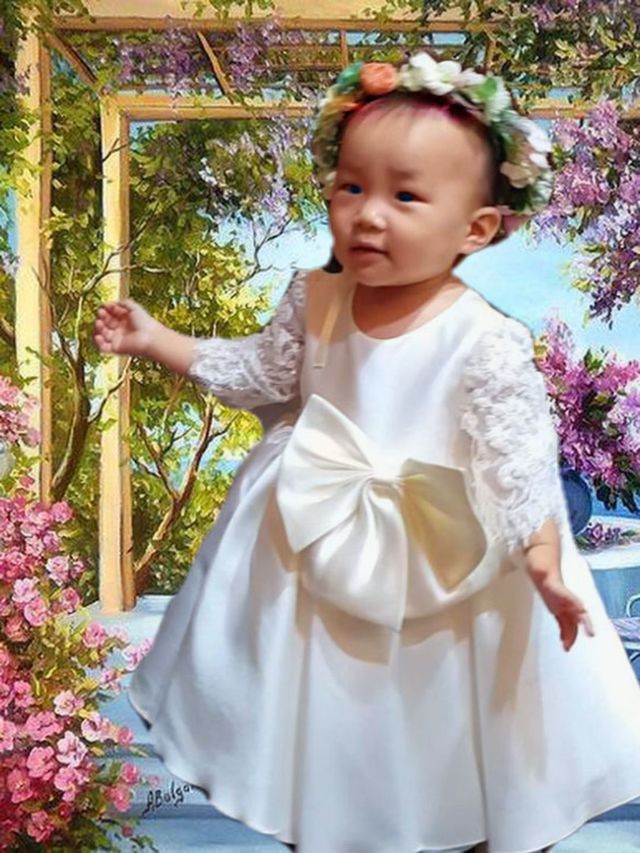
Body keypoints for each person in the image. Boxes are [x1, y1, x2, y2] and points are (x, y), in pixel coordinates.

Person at [93, 50, 640, 853]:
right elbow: (256, 371)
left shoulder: (484, 338)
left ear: (477, 228)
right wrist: (156, 339)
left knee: (459, 727)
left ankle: (474, 829)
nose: (368, 214)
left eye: (405, 195)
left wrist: (544, 560)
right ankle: (322, 821)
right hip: (314, 546)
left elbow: (517, 459)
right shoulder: (315, 299)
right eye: (351, 187)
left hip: (449, 562)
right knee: (321, 725)